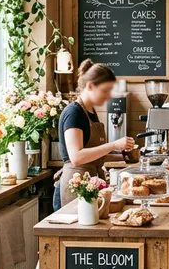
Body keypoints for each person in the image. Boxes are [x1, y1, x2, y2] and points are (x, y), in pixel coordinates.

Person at [56, 60, 135, 208]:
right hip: (75, 187)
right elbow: (77, 157)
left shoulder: (91, 112)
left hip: (90, 184)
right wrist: (114, 144)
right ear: (90, 86)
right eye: (105, 90)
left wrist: (123, 156)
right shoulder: (74, 113)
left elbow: (93, 155)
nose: (109, 96)